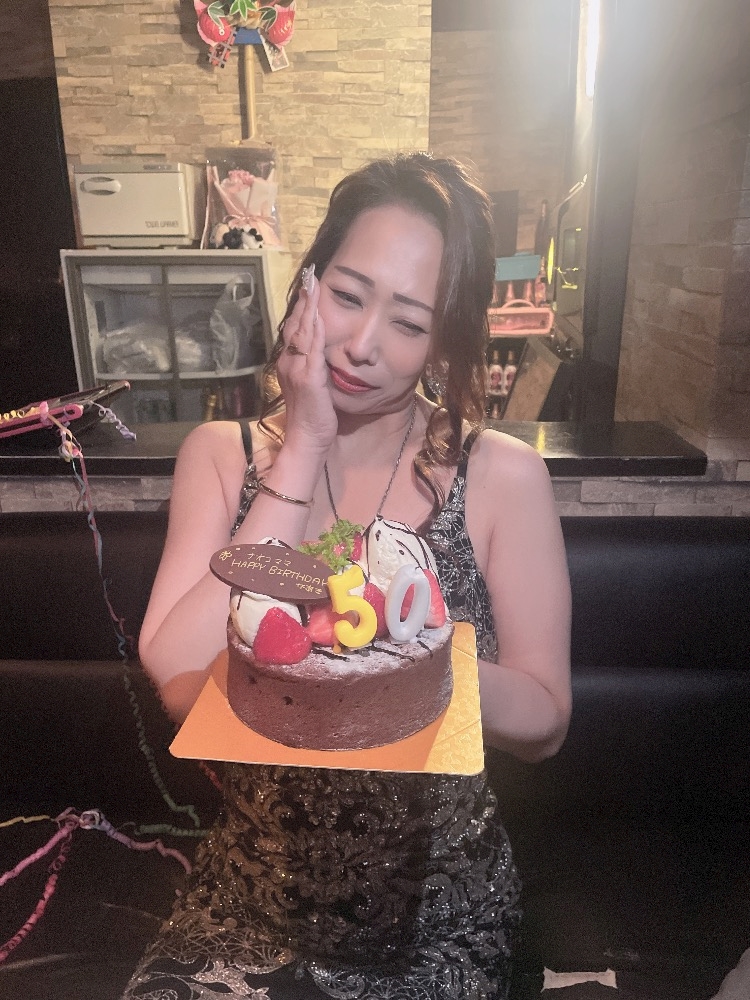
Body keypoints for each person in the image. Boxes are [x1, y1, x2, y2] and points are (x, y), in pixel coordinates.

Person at [123, 152, 572, 1000]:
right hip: (250, 901)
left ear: (445, 340)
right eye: (349, 295)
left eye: (408, 321)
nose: (363, 345)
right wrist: (304, 447)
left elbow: (546, 721)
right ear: (309, 284)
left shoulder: (502, 475)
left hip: (437, 914)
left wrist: (406, 663)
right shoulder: (222, 456)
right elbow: (179, 678)